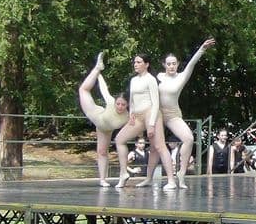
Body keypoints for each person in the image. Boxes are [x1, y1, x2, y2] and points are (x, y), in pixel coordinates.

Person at [146, 38, 215, 189]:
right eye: (168, 64)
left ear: (177, 64)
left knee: (189, 138)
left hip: (172, 115)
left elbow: (192, 63)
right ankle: (148, 178)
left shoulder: (181, 77)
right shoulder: (158, 77)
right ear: (164, 65)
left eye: (174, 63)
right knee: (155, 147)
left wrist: (202, 48)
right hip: (156, 114)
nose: (171, 66)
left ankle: (181, 173)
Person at [113, 54, 175, 190]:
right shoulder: (134, 80)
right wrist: (131, 114)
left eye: (139, 62)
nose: (135, 64)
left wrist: (151, 124)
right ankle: (124, 173)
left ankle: (171, 180)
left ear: (146, 64)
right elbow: (132, 99)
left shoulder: (150, 79)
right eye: (135, 62)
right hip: (138, 116)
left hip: (151, 113)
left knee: (158, 146)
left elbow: (156, 103)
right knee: (119, 139)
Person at [78, 53, 129, 187]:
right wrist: (99, 75)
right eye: (118, 104)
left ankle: (103, 179)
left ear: (127, 105)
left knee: (102, 151)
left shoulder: (128, 116)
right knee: (83, 90)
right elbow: (104, 89)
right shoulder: (111, 102)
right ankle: (97, 68)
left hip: (104, 129)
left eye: (123, 105)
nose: (120, 106)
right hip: (95, 113)